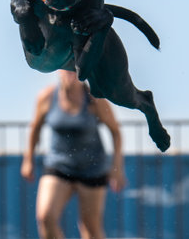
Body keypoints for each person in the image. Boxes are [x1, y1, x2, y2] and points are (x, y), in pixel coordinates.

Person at [21, 70, 126, 239]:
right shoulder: (47, 97)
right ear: (59, 71)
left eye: (75, 69)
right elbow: (35, 128)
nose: (71, 73)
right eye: (66, 69)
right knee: (45, 216)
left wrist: (117, 167)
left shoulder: (95, 99)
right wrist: (28, 160)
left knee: (90, 228)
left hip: (92, 168)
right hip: (58, 166)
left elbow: (115, 132)